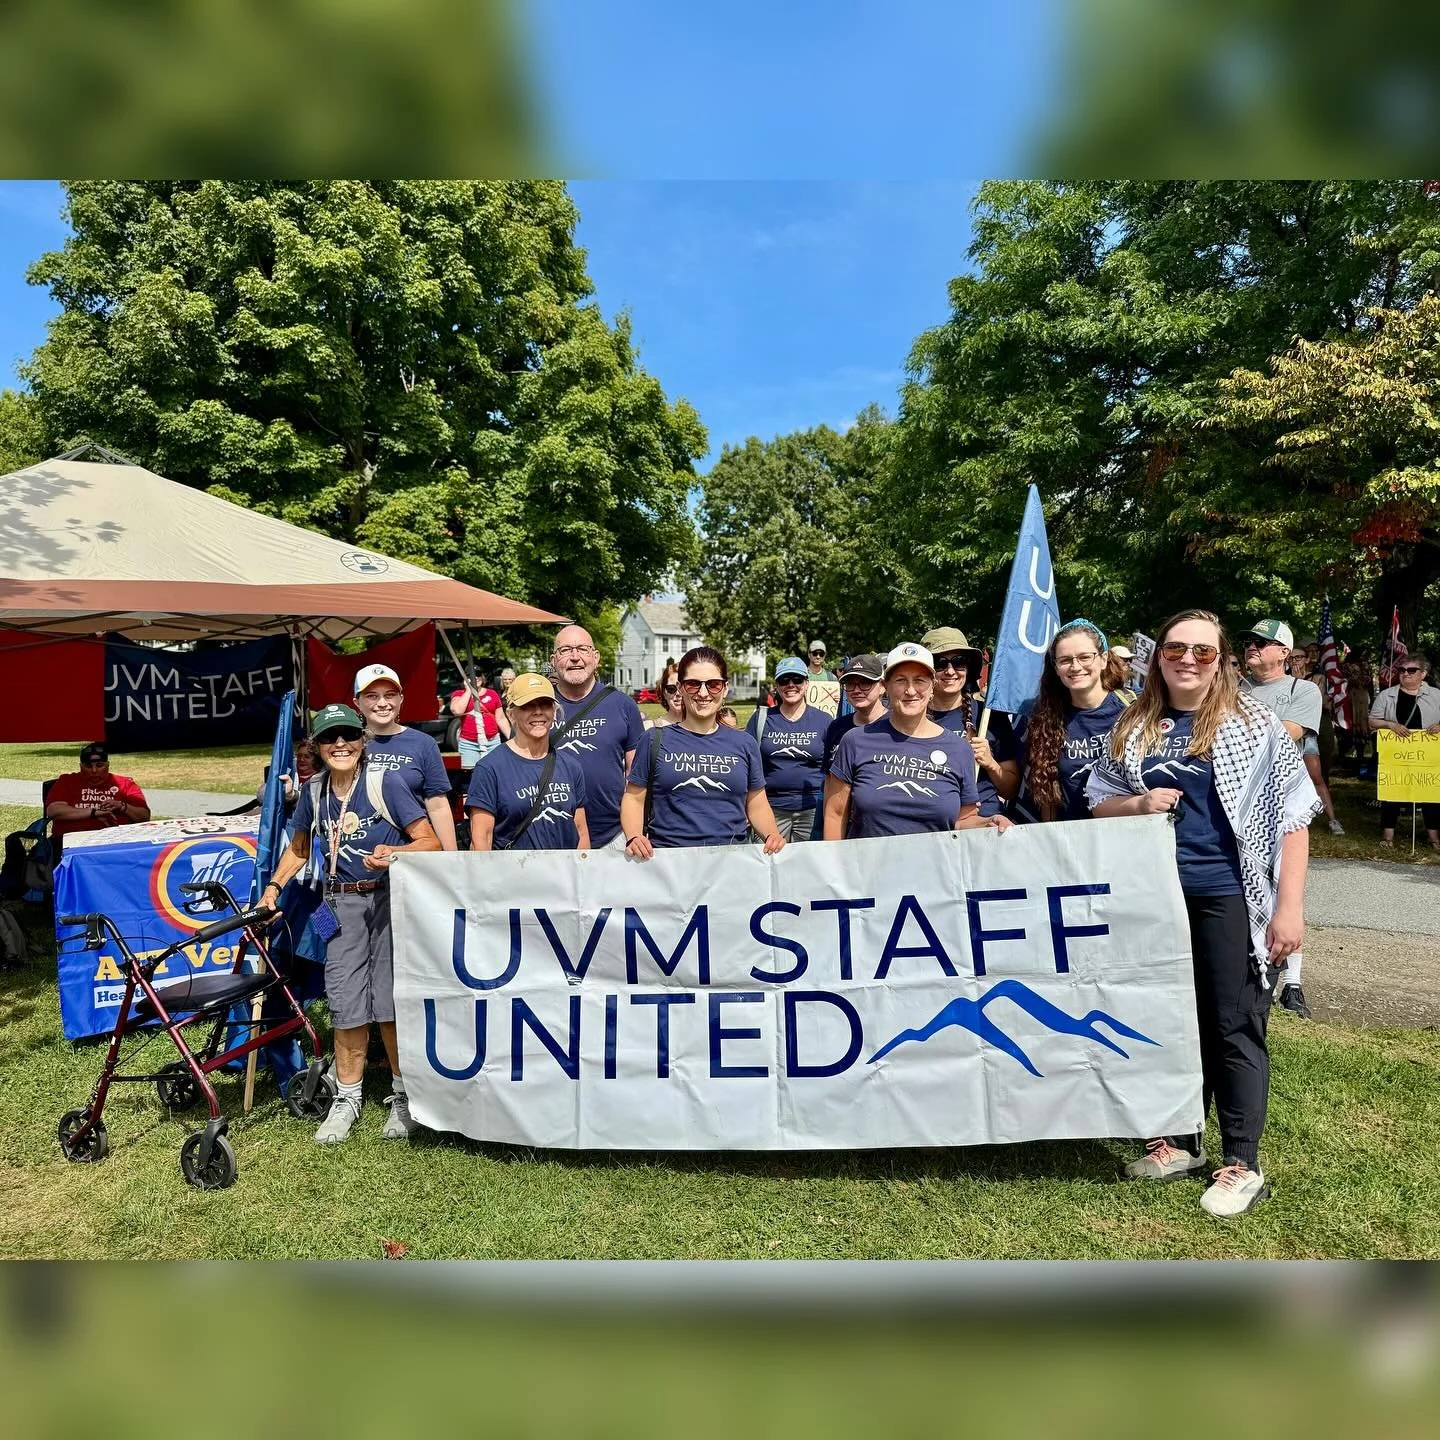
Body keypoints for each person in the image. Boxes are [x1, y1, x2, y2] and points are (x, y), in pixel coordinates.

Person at [1087, 610, 1319, 1218]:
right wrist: (1138, 803)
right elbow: (1099, 802)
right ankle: (1182, 1141)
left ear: (1221, 662)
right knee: (1171, 1022)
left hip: (1228, 893)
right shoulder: (1135, 725)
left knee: (1233, 1023)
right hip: (1155, 898)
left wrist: (1289, 908)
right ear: (1158, 657)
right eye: (1176, 649)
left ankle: (1242, 1159)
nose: (1188, 660)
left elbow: (1295, 816)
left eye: (1203, 651)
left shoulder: (1254, 724)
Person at [261, 704, 441, 1144]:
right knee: (344, 1002)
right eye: (329, 737)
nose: (339, 744)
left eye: (348, 735)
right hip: (337, 904)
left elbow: (430, 840)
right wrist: (274, 887)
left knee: (390, 1001)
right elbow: (299, 848)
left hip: (387, 901)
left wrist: (394, 854)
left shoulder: (386, 782)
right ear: (317, 746)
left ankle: (403, 1096)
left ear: (363, 740)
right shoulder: (313, 791)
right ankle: (347, 1098)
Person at [824, 643, 1012, 839]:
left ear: (932, 686)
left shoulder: (959, 749)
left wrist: (988, 823)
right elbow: (835, 814)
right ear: (886, 686)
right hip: (866, 859)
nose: (911, 690)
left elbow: (963, 820)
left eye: (920, 680)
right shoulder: (855, 740)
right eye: (900, 681)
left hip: (935, 859)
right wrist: (833, 858)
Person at [620, 646, 785, 856]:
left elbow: (757, 803)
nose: (703, 693)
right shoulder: (653, 739)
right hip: (668, 862)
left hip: (731, 861)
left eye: (713, 684)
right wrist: (634, 836)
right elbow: (634, 798)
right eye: (693, 684)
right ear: (680, 688)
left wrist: (771, 835)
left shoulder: (745, 743)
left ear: (725, 688)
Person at [1240, 617, 1343, 852]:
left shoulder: (1304, 690)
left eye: (1261, 642)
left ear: (1284, 652)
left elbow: (1284, 735)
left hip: (1278, 792)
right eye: (1248, 642)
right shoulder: (1231, 689)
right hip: (1236, 786)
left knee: (1282, 861)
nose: (1251, 647)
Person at [1017, 619, 1131, 822]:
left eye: (1085, 657)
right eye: (1065, 660)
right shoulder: (1043, 718)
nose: (1075, 666)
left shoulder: (1133, 709)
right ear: (1056, 667)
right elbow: (1040, 792)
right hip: (1070, 835)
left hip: (1127, 832)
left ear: (1103, 659)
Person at [547, 624, 643, 851]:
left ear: (596, 657)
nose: (575, 657)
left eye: (582, 649)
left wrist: (637, 831)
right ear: (553, 660)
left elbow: (638, 776)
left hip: (614, 835)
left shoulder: (622, 704)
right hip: (552, 836)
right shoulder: (539, 707)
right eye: (565, 650)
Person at [467, 673, 590, 851]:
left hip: (565, 868)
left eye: (545, 704)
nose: (538, 711)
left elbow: (581, 831)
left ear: (554, 712)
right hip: (514, 869)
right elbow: (481, 840)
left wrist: (583, 866)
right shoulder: (489, 768)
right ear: (511, 714)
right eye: (527, 705)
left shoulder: (571, 766)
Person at [353, 663, 457, 850]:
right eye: (372, 696)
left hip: (413, 856)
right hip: (358, 856)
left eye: (389, 695)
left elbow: (438, 806)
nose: (382, 703)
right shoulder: (347, 746)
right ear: (357, 702)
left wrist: (451, 856)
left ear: (401, 699)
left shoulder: (424, 744)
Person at [921, 625, 1019, 818]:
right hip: (930, 822)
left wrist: (990, 763)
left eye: (959, 662)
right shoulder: (911, 717)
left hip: (983, 822)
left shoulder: (989, 716)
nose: (950, 671)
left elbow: (1010, 791)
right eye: (940, 663)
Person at [746, 656, 829, 841]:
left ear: (806, 684)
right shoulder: (761, 719)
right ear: (777, 686)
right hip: (769, 809)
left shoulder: (824, 720)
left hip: (813, 809)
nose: (791, 685)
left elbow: (832, 769)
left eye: (797, 679)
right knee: (769, 858)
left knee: (809, 860)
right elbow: (746, 764)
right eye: (784, 680)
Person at [1369, 652, 1440, 850]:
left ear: (1423, 674)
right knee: (1391, 792)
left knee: (1431, 794)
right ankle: (1388, 836)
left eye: (1411, 670)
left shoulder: (1436, 695)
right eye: (1402, 670)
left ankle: (1434, 837)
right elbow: (1372, 721)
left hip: (1428, 757)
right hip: (1395, 755)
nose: (1405, 674)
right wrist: (1390, 725)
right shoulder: (1386, 695)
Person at [45, 743, 151, 852]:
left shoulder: (125, 784)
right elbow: (54, 811)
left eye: (99, 765)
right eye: (88, 766)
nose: (94, 770)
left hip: (116, 843)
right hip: (70, 844)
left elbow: (144, 816)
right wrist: (94, 812)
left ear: (108, 765)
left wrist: (121, 806)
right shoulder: (67, 781)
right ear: (81, 767)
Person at [822, 653, 888, 774]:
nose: (856, 690)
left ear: (882, 686)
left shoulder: (897, 725)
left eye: (865, 683)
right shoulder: (837, 727)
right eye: (850, 684)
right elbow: (828, 776)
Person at [450, 667, 509, 768]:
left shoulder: (492, 694)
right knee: (471, 774)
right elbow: (457, 711)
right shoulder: (459, 694)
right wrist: (469, 690)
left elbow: (501, 719)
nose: (475, 677)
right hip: (469, 745)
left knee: (494, 772)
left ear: (482, 677)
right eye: (471, 675)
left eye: (478, 675)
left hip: (492, 743)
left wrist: (511, 738)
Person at [804, 639, 841, 717]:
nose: (818, 656)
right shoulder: (802, 676)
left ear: (824, 656)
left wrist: (838, 698)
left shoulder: (832, 678)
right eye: (815, 653)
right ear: (809, 654)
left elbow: (838, 703)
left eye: (821, 654)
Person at [644, 663, 683, 730]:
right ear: (663, 692)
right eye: (671, 688)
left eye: (682, 688)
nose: (678, 693)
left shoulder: (701, 729)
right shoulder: (648, 728)